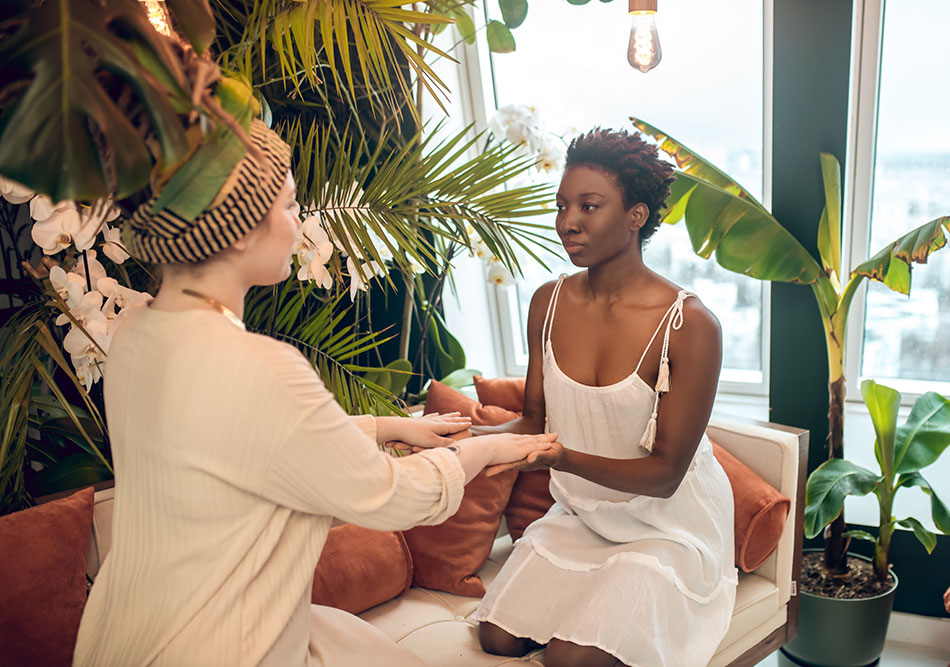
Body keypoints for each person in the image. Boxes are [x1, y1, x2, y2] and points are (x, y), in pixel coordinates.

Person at [72, 119, 558, 667]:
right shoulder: (262, 365)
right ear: (238, 227)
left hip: (127, 628)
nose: (297, 224)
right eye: (288, 205)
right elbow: (394, 495)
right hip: (224, 640)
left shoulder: (138, 333)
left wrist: (390, 426)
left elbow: (251, 440)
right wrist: (490, 448)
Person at [470, 128, 738, 667]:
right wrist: (462, 440)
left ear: (636, 215)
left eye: (589, 206)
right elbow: (532, 421)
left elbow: (665, 475)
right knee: (497, 636)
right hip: (584, 518)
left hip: (668, 529)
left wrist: (563, 458)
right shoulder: (548, 302)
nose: (568, 222)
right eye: (562, 205)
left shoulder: (689, 325)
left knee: (568, 660)